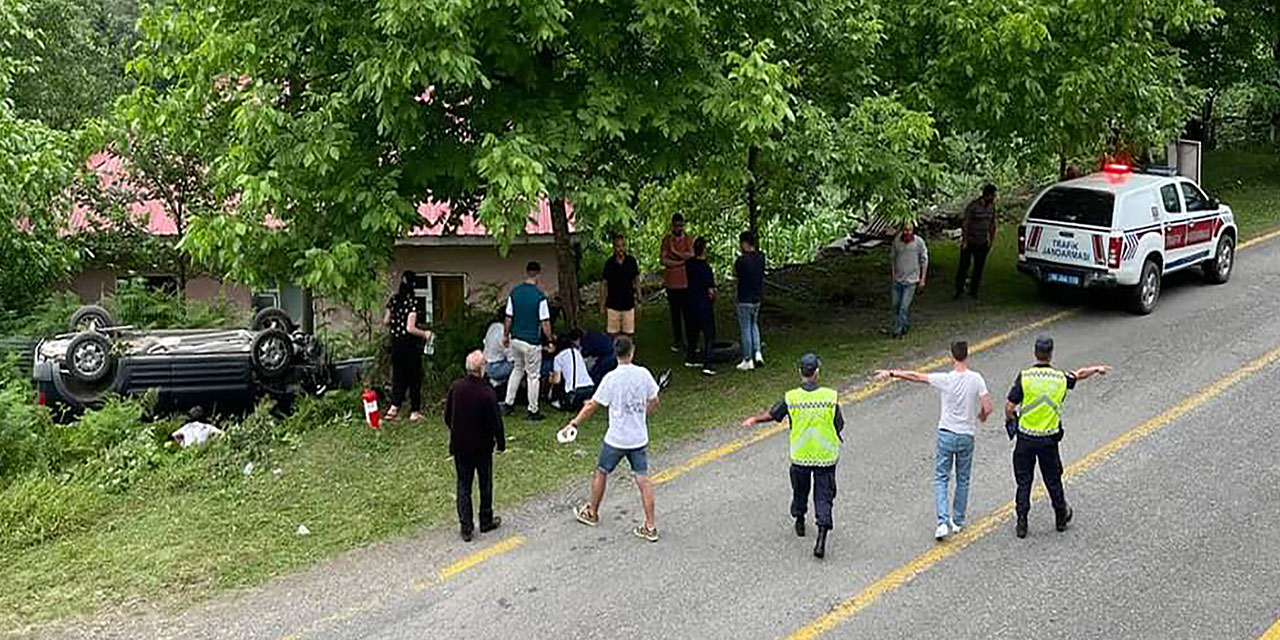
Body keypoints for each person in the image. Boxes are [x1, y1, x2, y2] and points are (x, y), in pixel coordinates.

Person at [874, 341, 993, 540]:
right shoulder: (976, 379)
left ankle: (942, 522)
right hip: (966, 435)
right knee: (963, 479)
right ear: (967, 355)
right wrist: (981, 416)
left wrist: (891, 372)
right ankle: (958, 521)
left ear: (952, 356)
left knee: (941, 478)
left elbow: (916, 376)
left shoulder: (945, 379)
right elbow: (987, 406)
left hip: (946, 433)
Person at [1005, 336, 1110, 539]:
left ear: (1035, 353)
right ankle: (1061, 517)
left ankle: (1022, 524)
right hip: (1048, 440)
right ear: (1051, 354)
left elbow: (1010, 406)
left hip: (1025, 439)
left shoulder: (1025, 377)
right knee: (1053, 480)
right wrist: (1096, 369)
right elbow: (1078, 375)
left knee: (1024, 481)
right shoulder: (1060, 378)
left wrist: (1011, 421)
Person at [741, 354, 844, 558]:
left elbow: (773, 414)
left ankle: (799, 519)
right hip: (825, 456)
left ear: (800, 372)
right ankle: (821, 537)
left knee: (800, 490)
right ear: (817, 372)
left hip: (801, 456)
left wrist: (754, 419)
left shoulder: (791, 397)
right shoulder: (830, 396)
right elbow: (839, 423)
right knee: (824, 496)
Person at [568, 336, 662, 542]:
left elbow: (593, 405)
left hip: (616, 439)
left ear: (615, 353)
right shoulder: (643, 374)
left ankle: (592, 511)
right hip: (638, 438)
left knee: (602, 471)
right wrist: (644, 413)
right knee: (643, 480)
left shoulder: (611, 378)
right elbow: (654, 399)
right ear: (632, 351)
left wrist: (574, 422)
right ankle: (651, 526)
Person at [445, 351, 507, 542]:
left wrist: (455, 429)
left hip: (460, 445)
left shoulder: (456, 388)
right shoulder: (487, 392)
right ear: (482, 369)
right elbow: (496, 421)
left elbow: (448, 416)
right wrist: (500, 442)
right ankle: (486, 519)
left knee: (463, 485)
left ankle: (466, 527)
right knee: (484, 483)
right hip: (482, 447)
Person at [502, 261, 554, 421]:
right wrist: (550, 340)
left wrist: (506, 335)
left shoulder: (515, 293)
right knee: (533, 376)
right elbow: (545, 322)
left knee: (517, 369)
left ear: (526, 272)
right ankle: (533, 410)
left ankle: (508, 403)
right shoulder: (540, 297)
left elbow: (508, 317)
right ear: (538, 274)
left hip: (516, 339)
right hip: (532, 342)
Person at [384, 270, 434, 421]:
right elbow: (410, 328)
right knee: (414, 377)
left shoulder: (394, 300)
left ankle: (393, 408)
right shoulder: (411, 302)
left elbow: (386, 320)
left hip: (396, 344)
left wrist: (395, 325)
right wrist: (425, 333)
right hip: (409, 345)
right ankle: (415, 411)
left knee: (398, 376)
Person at [955, 184, 998, 300]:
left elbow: (993, 223)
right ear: (987, 195)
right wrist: (964, 240)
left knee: (979, 267)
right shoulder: (973, 206)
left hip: (982, 241)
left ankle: (974, 290)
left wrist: (991, 239)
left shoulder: (992, 207)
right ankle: (959, 289)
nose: (994, 197)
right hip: (970, 241)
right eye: (993, 195)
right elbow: (966, 223)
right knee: (964, 266)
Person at [660, 214, 695, 353]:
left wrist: (674, 253)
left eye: (681, 225)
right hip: (672, 284)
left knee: (688, 314)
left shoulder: (688, 239)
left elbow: (691, 255)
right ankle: (678, 341)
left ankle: (690, 340)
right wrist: (681, 262)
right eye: (676, 225)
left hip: (686, 283)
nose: (679, 228)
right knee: (675, 314)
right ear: (672, 225)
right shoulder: (666, 240)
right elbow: (663, 260)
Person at [684, 236, 717, 377]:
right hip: (703, 304)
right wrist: (714, 297)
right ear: (704, 250)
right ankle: (708, 364)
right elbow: (710, 290)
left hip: (690, 302)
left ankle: (690, 357)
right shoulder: (706, 268)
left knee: (692, 332)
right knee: (709, 335)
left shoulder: (689, 264)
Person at [889, 223, 928, 339]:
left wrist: (922, 279)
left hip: (911, 281)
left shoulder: (918, 243)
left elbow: (924, 260)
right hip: (898, 280)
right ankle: (904, 325)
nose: (907, 232)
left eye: (909, 230)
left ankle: (898, 330)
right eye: (905, 230)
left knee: (903, 307)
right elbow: (893, 259)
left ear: (913, 231)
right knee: (895, 305)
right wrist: (893, 275)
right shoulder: (897, 242)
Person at [734, 230, 766, 371]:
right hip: (756, 297)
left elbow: (736, 275)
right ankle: (757, 352)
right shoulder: (761, 257)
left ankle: (748, 359)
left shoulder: (741, 261)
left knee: (745, 328)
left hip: (744, 298)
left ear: (745, 243)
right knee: (754, 324)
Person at [601, 233, 641, 338]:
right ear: (614, 247)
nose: (620, 249)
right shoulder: (608, 263)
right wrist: (602, 303)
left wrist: (639, 297)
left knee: (628, 335)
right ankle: (615, 354)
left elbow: (636, 280)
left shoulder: (631, 261)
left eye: (622, 245)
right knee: (613, 335)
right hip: (612, 305)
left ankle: (628, 353)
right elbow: (604, 284)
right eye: (618, 246)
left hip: (628, 303)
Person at [549, 333, 596, 412]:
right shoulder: (577, 352)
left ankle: (563, 403)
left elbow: (557, 380)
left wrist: (550, 379)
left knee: (560, 397)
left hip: (575, 391)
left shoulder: (558, 357)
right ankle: (584, 404)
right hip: (590, 388)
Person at [482, 312, 514, 386]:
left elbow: (485, 342)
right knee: (519, 365)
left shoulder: (493, 326)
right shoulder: (505, 334)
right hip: (496, 368)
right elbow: (511, 358)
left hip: (485, 365)